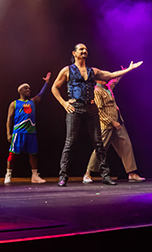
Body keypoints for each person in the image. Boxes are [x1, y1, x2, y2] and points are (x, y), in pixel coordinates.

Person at [50, 43, 143, 186]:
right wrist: (64, 103)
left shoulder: (92, 71)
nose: (84, 51)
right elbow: (54, 88)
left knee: (98, 143)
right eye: (81, 49)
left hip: (91, 108)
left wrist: (129, 69)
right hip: (74, 108)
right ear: (74, 53)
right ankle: (63, 176)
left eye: (86, 49)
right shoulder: (67, 70)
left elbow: (111, 75)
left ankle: (105, 176)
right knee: (70, 143)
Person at [83, 71, 146, 183]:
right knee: (100, 149)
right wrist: (112, 122)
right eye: (103, 77)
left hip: (118, 122)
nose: (105, 79)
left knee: (126, 145)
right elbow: (99, 111)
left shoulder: (108, 88)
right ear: (97, 79)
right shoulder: (96, 91)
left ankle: (131, 173)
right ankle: (88, 173)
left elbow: (114, 81)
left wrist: (125, 71)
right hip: (107, 125)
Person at [4, 72, 51, 184]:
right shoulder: (14, 103)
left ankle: (34, 176)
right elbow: (9, 120)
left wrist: (47, 83)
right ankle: (8, 174)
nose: (28, 90)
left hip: (31, 132)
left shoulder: (33, 102)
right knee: (13, 154)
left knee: (33, 154)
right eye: (26, 88)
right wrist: (8, 134)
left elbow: (41, 94)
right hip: (18, 132)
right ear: (20, 91)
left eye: (29, 88)